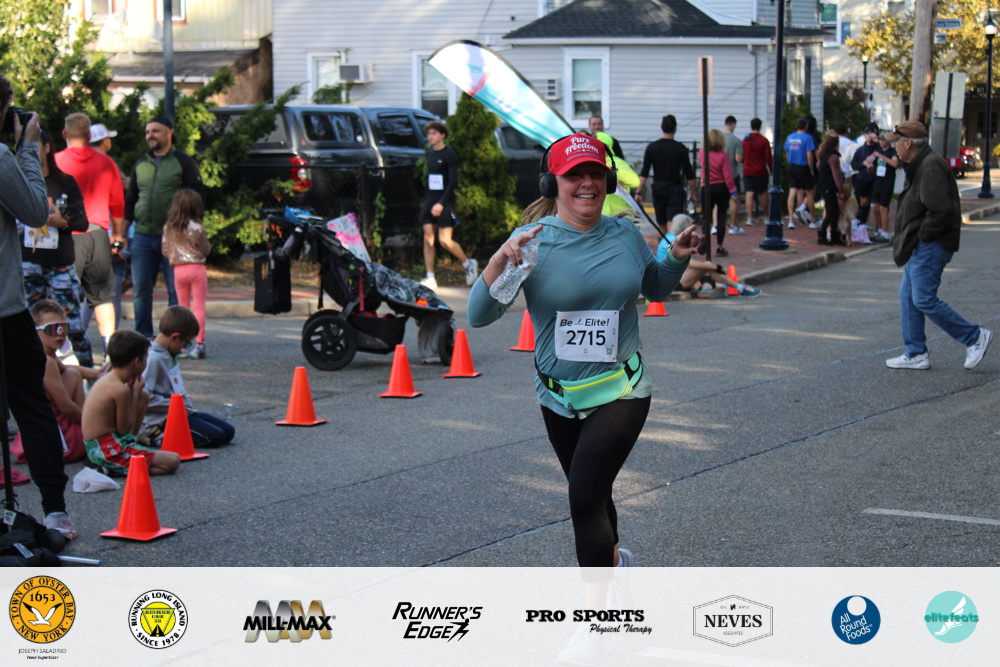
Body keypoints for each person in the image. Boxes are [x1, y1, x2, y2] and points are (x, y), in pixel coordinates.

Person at [468, 132, 699, 574]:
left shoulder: (624, 233)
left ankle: (596, 610)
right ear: (552, 183)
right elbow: (479, 316)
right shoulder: (530, 243)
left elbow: (655, 288)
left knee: (584, 497)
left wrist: (676, 258)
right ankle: (615, 565)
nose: (587, 183)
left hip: (622, 388)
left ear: (608, 181)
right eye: (574, 175)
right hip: (558, 395)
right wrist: (498, 261)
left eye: (595, 173)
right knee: (595, 491)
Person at [0, 73, 75, 538]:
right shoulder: (1, 156)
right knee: (31, 406)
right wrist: (27, 148)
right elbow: (33, 211)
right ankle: (55, 511)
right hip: (4, 311)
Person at [885, 121, 992, 371]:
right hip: (920, 243)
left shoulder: (930, 165)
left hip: (930, 244)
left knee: (922, 298)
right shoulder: (920, 163)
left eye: (896, 141)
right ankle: (915, 353)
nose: (893, 146)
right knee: (909, 298)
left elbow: (939, 210)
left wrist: (923, 236)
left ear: (908, 143)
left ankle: (974, 337)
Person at [20, 128, 93, 367]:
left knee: (72, 326)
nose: (29, 152)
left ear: (47, 147)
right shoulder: (19, 182)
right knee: (29, 327)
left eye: (34, 145)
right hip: (27, 263)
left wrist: (62, 222)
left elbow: (82, 222)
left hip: (59, 264)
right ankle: (37, 377)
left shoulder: (64, 182)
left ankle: (88, 376)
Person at [125, 115, 203, 338]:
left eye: (155, 131)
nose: (150, 135)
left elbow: (197, 198)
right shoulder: (141, 164)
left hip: (175, 237)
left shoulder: (183, 162)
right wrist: (121, 234)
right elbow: (131, 199)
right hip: (142, 236)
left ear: (169, 133)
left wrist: (193, 232)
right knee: (141, 291)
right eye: (148, 132)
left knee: (175, 292)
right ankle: (143, 337)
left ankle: (174, 338)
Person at [55, 113, 125, 356]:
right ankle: (110, 351)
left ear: (64, 134)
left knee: (65, 295)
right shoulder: (106, 163)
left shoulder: (56, 162)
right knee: (102, 297)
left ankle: (65, 352)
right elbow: (117, 203)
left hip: (67, 236)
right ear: (88, 135)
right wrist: (118, 234)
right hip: (97, 234)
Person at [81, 329, 180, 476]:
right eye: (146, 358)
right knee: (172, 461)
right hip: (107, 449)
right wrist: (135, 393)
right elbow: (125, 430)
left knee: (144, 396)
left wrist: (138, 395)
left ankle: (114, 467)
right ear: (137, 362)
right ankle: (107, 468)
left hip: (103, 445)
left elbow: (128, 433)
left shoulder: (111, 378)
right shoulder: (120, 389)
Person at [140, 306, 235, 448]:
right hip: (162, 418)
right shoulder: (153, 359)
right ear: (175, 337)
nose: (184, 348)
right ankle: (157, 436)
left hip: (181, 411)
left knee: (228, 431)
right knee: (216, 436)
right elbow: (143, 397)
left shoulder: (168, 353)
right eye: (186, 343)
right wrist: (173, 405)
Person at [9, 301, 87, 464]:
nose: (60, 334)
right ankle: (88, 433)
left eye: (63, 328)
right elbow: (66, 407)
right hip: (56, 437)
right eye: (52, 329)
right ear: (35, 331)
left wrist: (97, 372)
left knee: (72, 373)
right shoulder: (47, 361)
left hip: (36, 432)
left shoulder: (44, 356)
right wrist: (94, 426)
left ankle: (87, 429)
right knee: (74, 376)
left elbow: (66, 368)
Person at [417, 120, 477, 290]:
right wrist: (430, 202)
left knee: (444, 241)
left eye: (434, 133)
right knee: (428, 237)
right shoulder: (429, 153)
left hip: (445, 201)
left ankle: (468, 263)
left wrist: (441, 203)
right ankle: (430, 277)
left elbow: (452, 182)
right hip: (430, 199)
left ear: (442, 135)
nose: (430, 137)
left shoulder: (449, 154)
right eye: (429, 134)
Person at [656, 214, 762, 298]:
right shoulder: (673, 241)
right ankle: (739, 288)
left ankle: (707, 289)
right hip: (670, 282)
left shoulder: (669, 237)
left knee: (706, 272)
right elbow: (690, 263)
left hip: (672, 278)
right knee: (706, 268)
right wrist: (713, 266)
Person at [89, 121, 130, 327]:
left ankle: (79, 334)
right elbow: (123, 192)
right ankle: (112, 337)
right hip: (108, 230)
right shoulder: (108, 164)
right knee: (113, 288)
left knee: (88, 291)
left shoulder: (80, 162)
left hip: (85, 234)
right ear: (104, 142)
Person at [162, 189, 211, 359]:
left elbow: (165, 250)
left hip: (178, 269)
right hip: (196, 268)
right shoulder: (197, 228)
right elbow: (205, 249)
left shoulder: (169, 228)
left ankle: (180, 345)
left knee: (182, 307)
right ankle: (199, 344)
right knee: (198, 307)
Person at [636, 115, 697, 234]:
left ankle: (664, 242)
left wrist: (638, 192)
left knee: (661, 222)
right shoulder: (680, 148)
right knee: (673, 222)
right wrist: (693, 193)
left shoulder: (652, 148)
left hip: (658, 188)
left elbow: (644, 172)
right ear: (675, 128)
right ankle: (672, 243)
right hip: (675, 188)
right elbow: (689, 174)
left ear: (661, 127)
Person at [699, 129, 738, 257]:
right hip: (721, 187)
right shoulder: (723, 156)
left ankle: (705, 236)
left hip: (706, 186)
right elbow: (728, 176)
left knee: (706, 216)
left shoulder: (702, 153)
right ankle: (720, 247)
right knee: (721, 216)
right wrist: (733, 192)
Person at [815, 133, 849, 246]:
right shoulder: (833, 157)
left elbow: (818, 166)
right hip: (829, 186)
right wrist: (841, 189)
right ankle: (822, 236)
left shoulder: (823, 155)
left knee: (834, 212)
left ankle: (834, 236)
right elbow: (836, 174)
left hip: (824, 185)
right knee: (830, 213)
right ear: (836, 144)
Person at [783, 116, 817, 230]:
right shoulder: (808, 138)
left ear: (796, 125)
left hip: (792, 166)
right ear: (806, 126)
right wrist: (811, 169)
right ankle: (813, 220)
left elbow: (787, 152)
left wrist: (789, 161)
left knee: (792, 192)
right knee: (809, 193)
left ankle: (791, 220)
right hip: (803, 167)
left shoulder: (790, 137)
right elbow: (809, 156)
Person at [868, 131, 898, 243]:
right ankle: (879, 230)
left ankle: (885, 233)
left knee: (883, 208)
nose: (882, 142)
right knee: (875, 207)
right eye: (880, 140)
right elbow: (872, 165)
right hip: (878, 181)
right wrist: (870, 167)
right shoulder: (878, 151)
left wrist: (882, 156)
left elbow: (895, 164)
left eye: (884, 140)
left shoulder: (892, 152)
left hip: (887, 182)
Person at [850, 122, 880, 236]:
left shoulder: (879, 149)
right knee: (861, 203)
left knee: (875, 204)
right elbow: (854, 165)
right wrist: (863, 164)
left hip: (875, 180)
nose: (870, 135)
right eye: (868, 133)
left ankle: (877, 227)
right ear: (863, 134)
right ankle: (860, 224)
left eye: (872, 133)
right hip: (862, 180)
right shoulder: (860, 150)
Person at [742, 118, 772, 224]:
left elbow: (742, 155)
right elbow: (768, 157)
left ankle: (750, 218)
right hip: (761, 170)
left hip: (748, 170)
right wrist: (771, 169)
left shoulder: (745, 140)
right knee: (763, 193)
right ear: (760, 126)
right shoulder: (764, 140)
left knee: (749, 193)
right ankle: (767, 217)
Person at [722, 116, 744, 234]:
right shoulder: (736, 141)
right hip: (732, 174)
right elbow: (738, 159)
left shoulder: (718, 139)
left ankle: (716, 225)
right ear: (733, 125)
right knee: (734, 199)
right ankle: (733, 225)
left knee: (718, 201)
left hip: (718, 175)